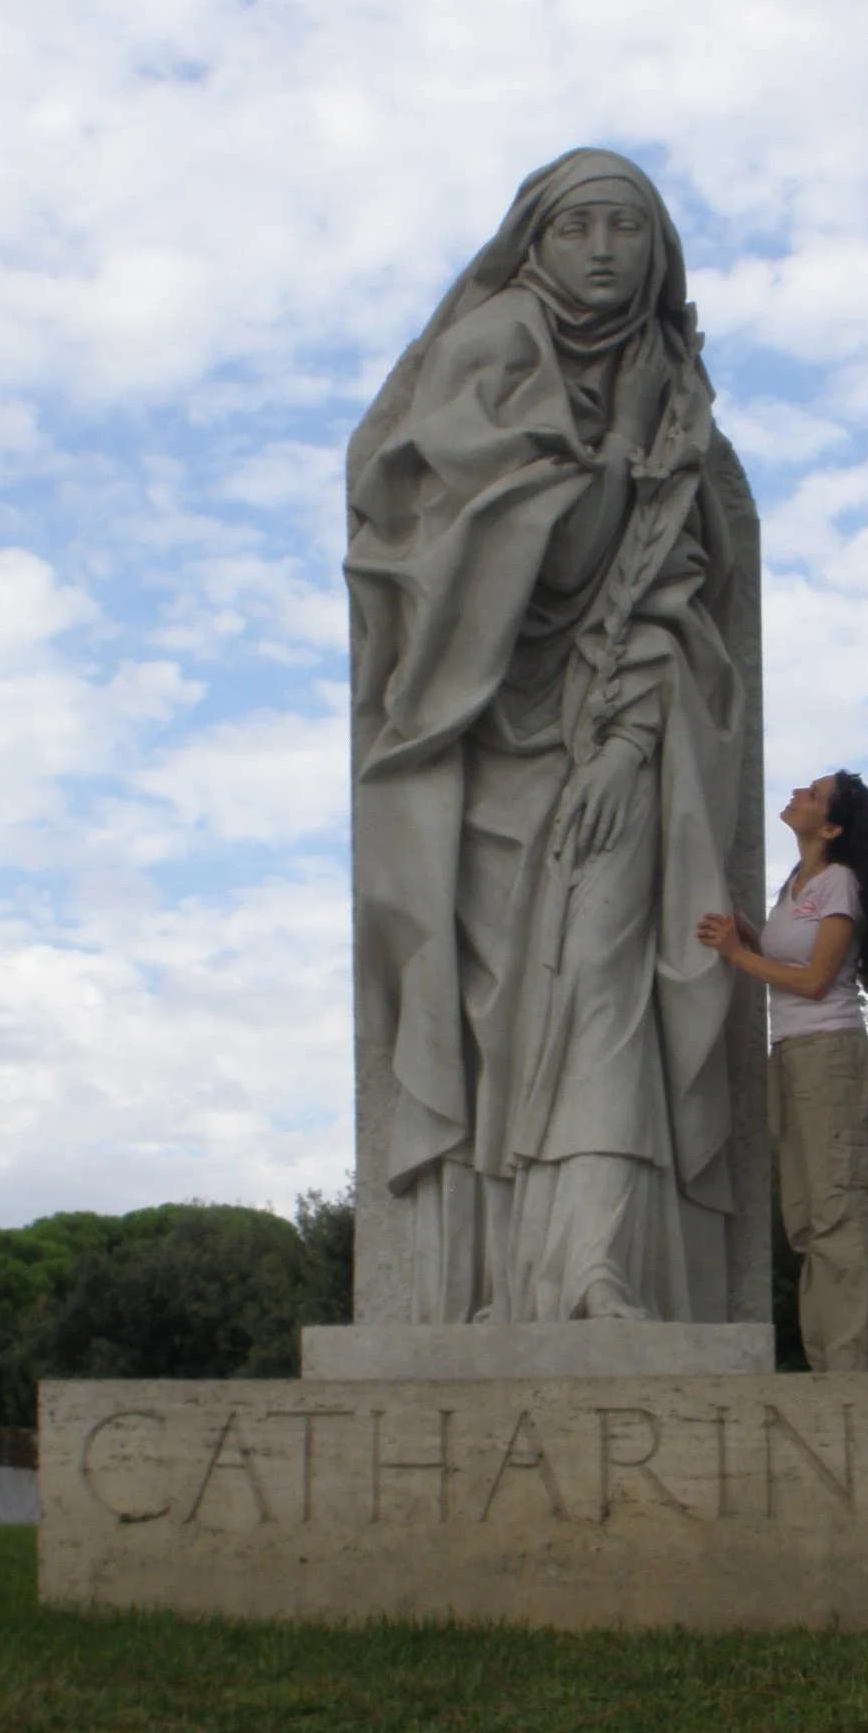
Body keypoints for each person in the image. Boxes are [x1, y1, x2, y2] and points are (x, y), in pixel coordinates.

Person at [344, 149, 753, 1328]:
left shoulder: (671, 380)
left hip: (622, 736)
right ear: (536, 240)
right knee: (484, 1029)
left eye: (629, 227)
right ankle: (471, 1286)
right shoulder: (492, 350)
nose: (606, 252)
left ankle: (594, 1272)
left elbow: (676, 582)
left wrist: (630, 737)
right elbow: (545, 554)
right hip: (477, 741)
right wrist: (620, 443)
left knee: (610, 987)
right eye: (581, 227)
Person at [697, 772, 868, 1370]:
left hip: (830, 1056)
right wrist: (751, 939)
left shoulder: (840, 882)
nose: (797, 794)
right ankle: (828, 1364)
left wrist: (739, 956)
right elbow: (791, 965)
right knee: (807, 1220)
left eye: (813, 794)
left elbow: (816, 982)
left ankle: (851, 1365)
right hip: (792, 1054)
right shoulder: (799, 882)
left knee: (836, 1211)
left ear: (834, 826)